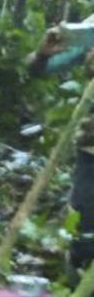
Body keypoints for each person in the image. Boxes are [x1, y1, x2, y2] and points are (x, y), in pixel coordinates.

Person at [26, 26, 94, 279]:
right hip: (91, 149)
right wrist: (43, 54)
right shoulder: (91, 31)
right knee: (85, 237)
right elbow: (37, 68)